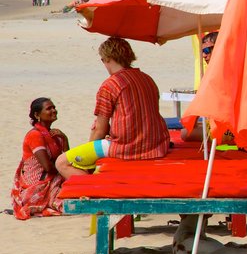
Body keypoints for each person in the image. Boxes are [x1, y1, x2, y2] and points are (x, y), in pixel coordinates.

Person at [56, 37, 170, 178]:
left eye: (102, 60)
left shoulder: (111, 85)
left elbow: (100, 129)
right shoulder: (147, 79)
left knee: (62, 163)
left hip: (126, 147)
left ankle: (92, 188)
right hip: (156, 144)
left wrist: (91, 152)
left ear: (108, 58)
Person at [11, 98, 69, 219]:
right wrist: (66, 173)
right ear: (37, 115)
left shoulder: (55, 135)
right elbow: (48, 167)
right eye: (49, 108)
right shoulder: (35, 135)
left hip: (54, 178)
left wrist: (64, 139)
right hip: (37, 187)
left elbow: (67, 159)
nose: (54, 110)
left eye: (54, 107)